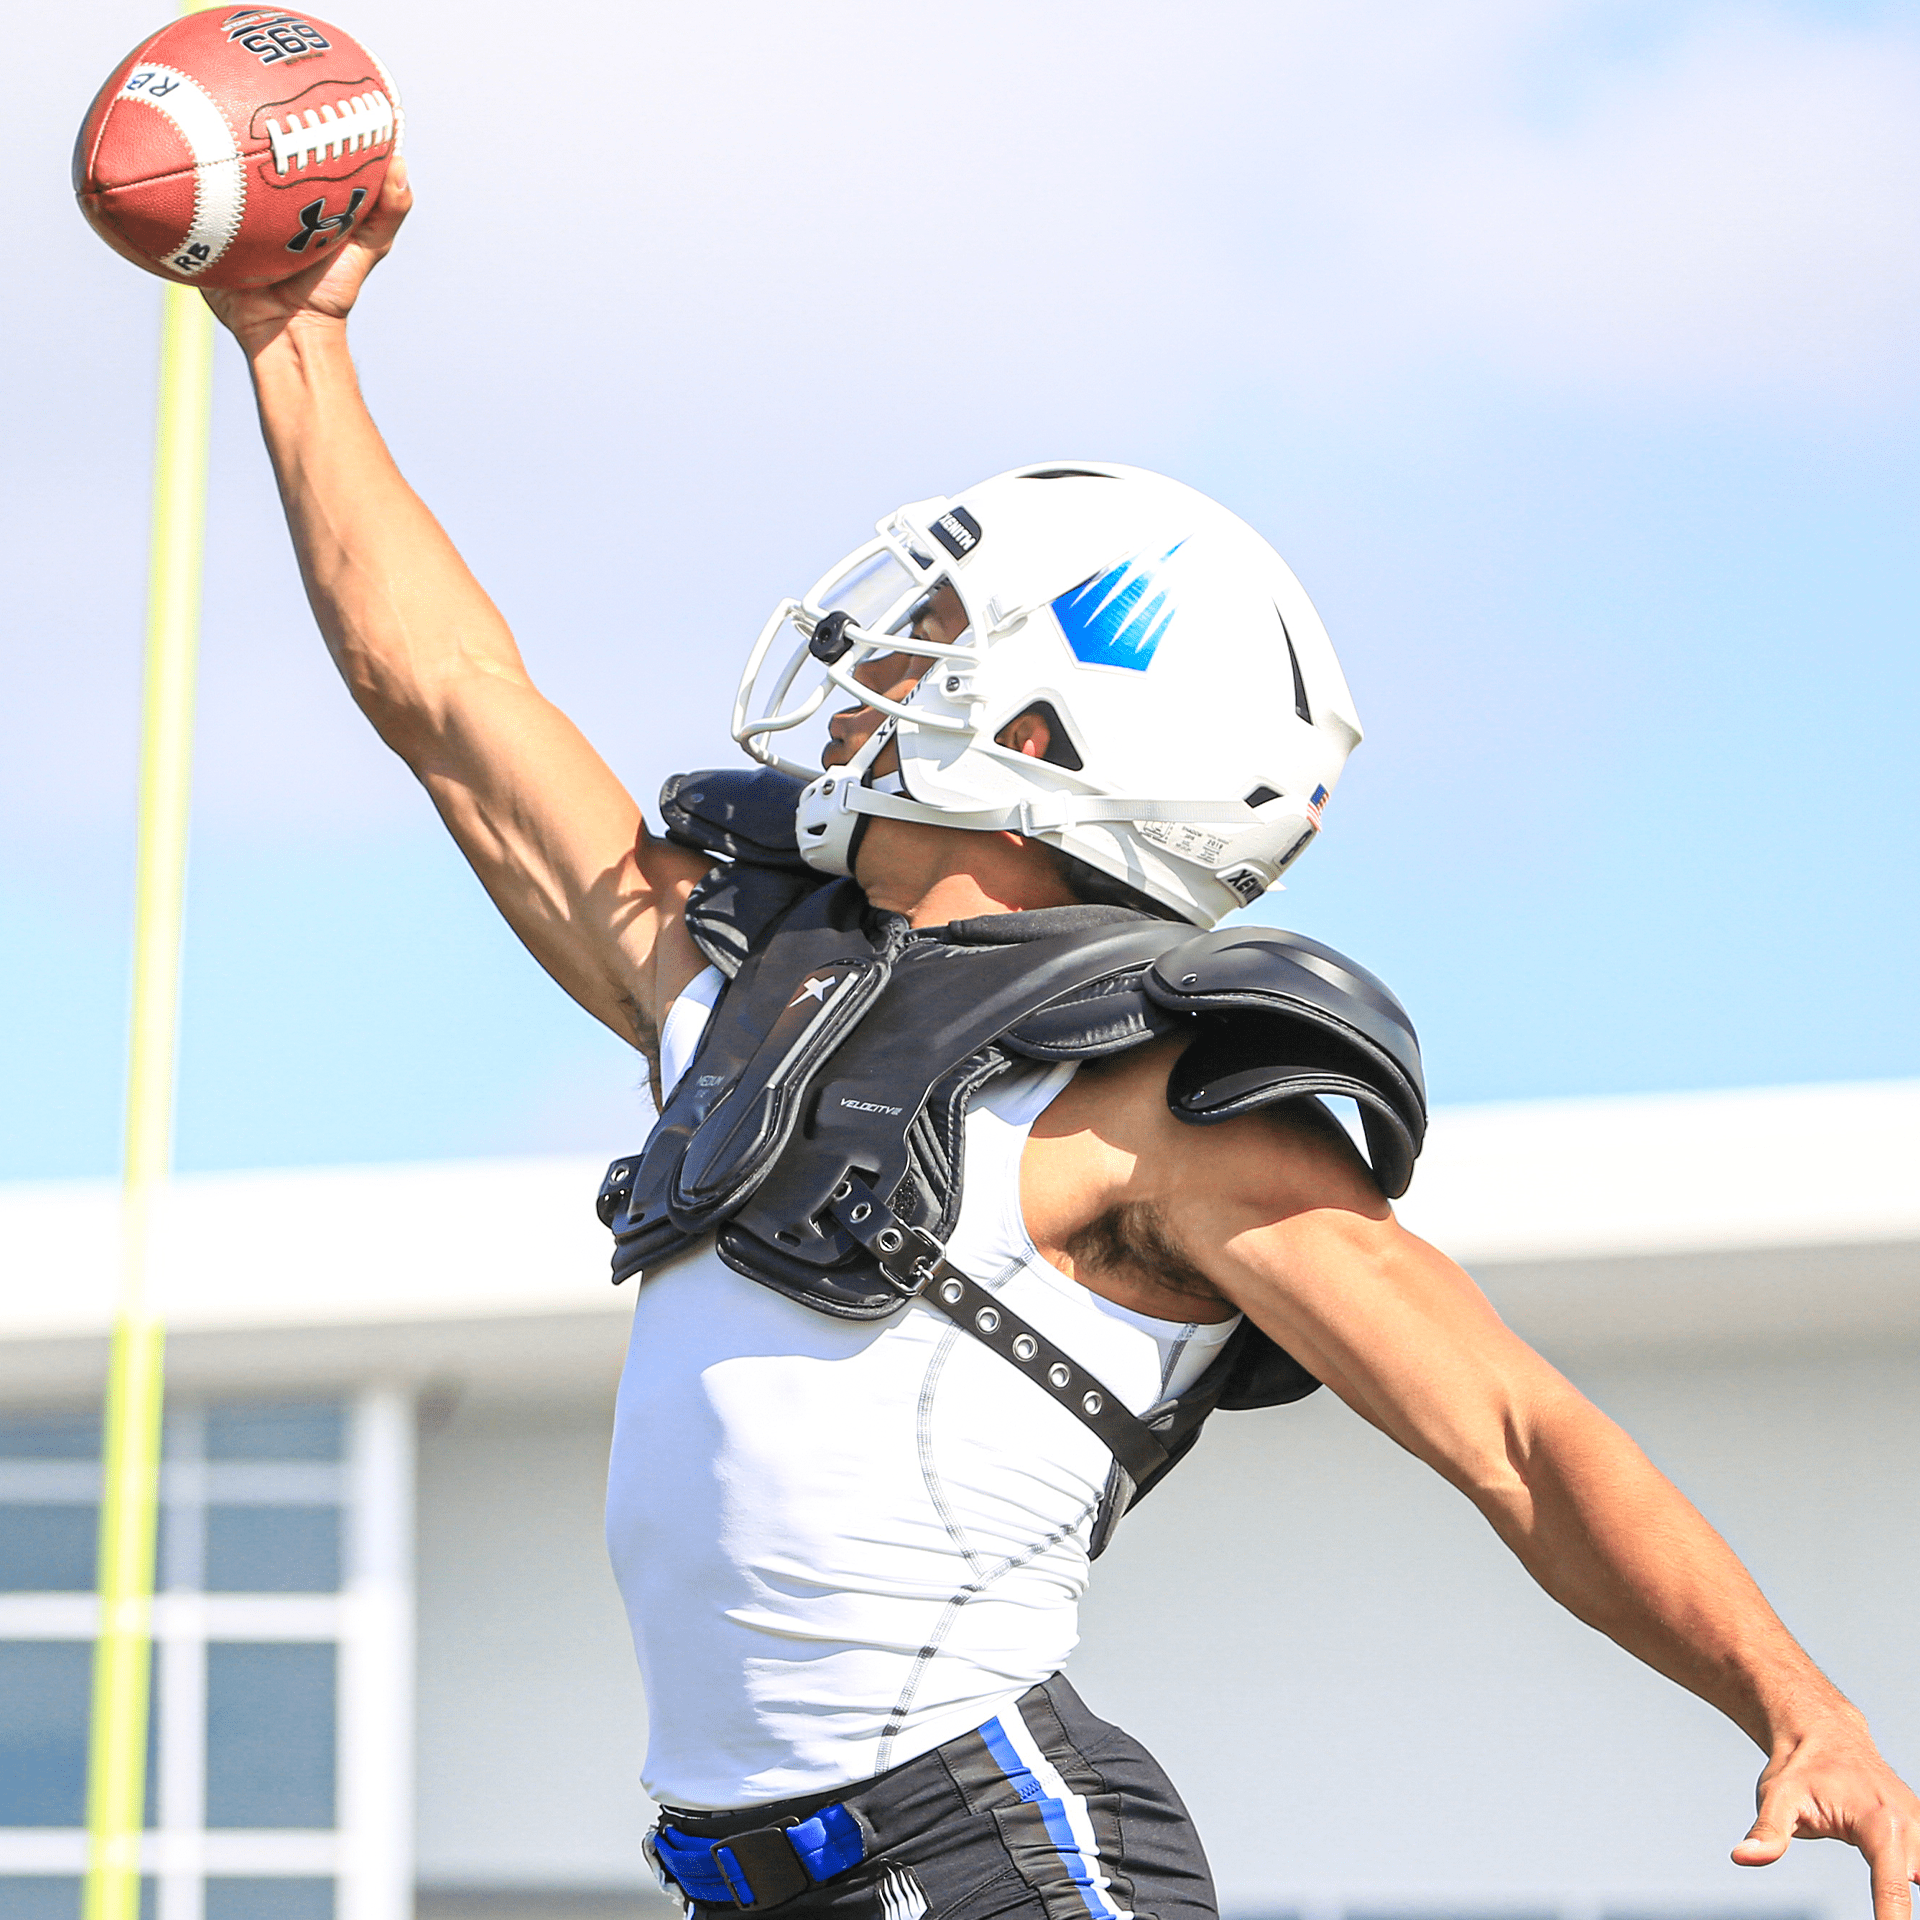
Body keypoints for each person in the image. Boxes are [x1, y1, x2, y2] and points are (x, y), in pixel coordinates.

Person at [208, 165, 1920, 1920]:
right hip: (757, 1886)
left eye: (935, 642)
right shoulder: (742, 992)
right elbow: (447, 702)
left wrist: (1792, 1701)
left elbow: (1514, 1432)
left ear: (1045, 731)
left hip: (992, 1854)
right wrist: (293, 340)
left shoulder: (1157, 1104)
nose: (875, 671)